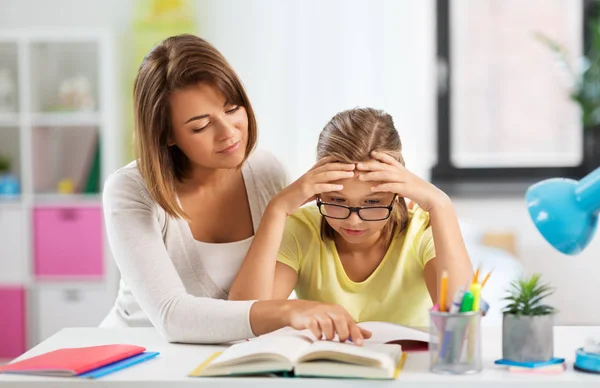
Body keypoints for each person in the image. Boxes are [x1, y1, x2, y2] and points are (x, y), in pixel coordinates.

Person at [100, 34, 370, 344]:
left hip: (229, 357)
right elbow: (171, 316)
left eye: (232, 109)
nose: (229, 133)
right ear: (166, 135)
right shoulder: (131, 190)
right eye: (201, 126)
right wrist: (288, 310)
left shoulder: (267, 171)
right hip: (138, 353)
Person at [229, 107, 474, 331]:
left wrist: (441, 205)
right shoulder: (301, 228)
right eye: (337, 201)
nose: (353, 222)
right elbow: (243, 318)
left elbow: (461, 323)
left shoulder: (422, 231)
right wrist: (277, 208)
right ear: (317, 190)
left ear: (397, 191)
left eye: (372, 202)